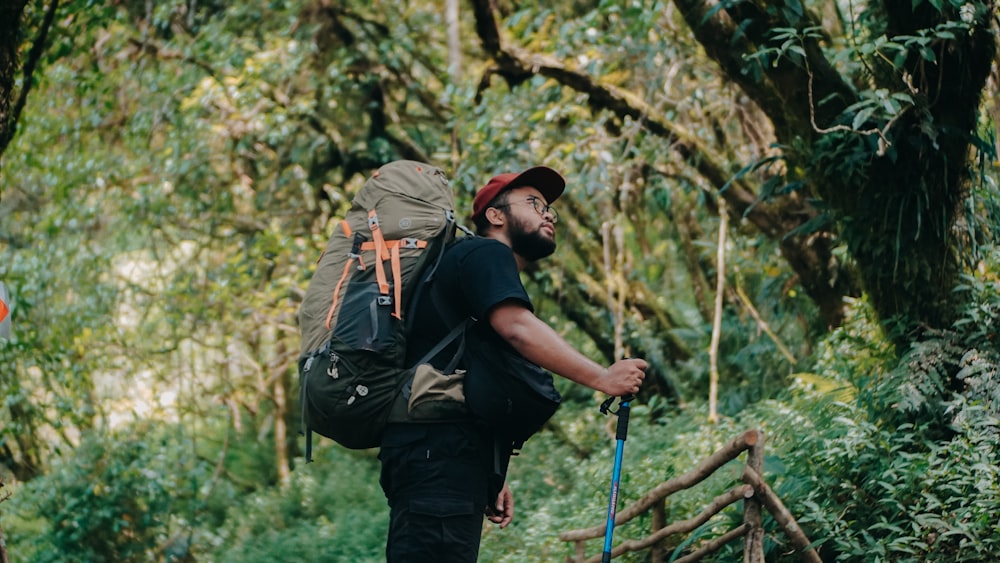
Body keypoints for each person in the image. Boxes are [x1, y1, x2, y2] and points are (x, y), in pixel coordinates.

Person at [378, 165, 648, 562]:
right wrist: (603, 377)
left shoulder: (468, 268)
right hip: (439, 460)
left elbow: (478, 376)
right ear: (495, 215)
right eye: (535, 203)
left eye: (551, 209)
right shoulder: (485, 252)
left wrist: (491, 470)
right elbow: (518, 328)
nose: (548, 214)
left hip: (442, 460)